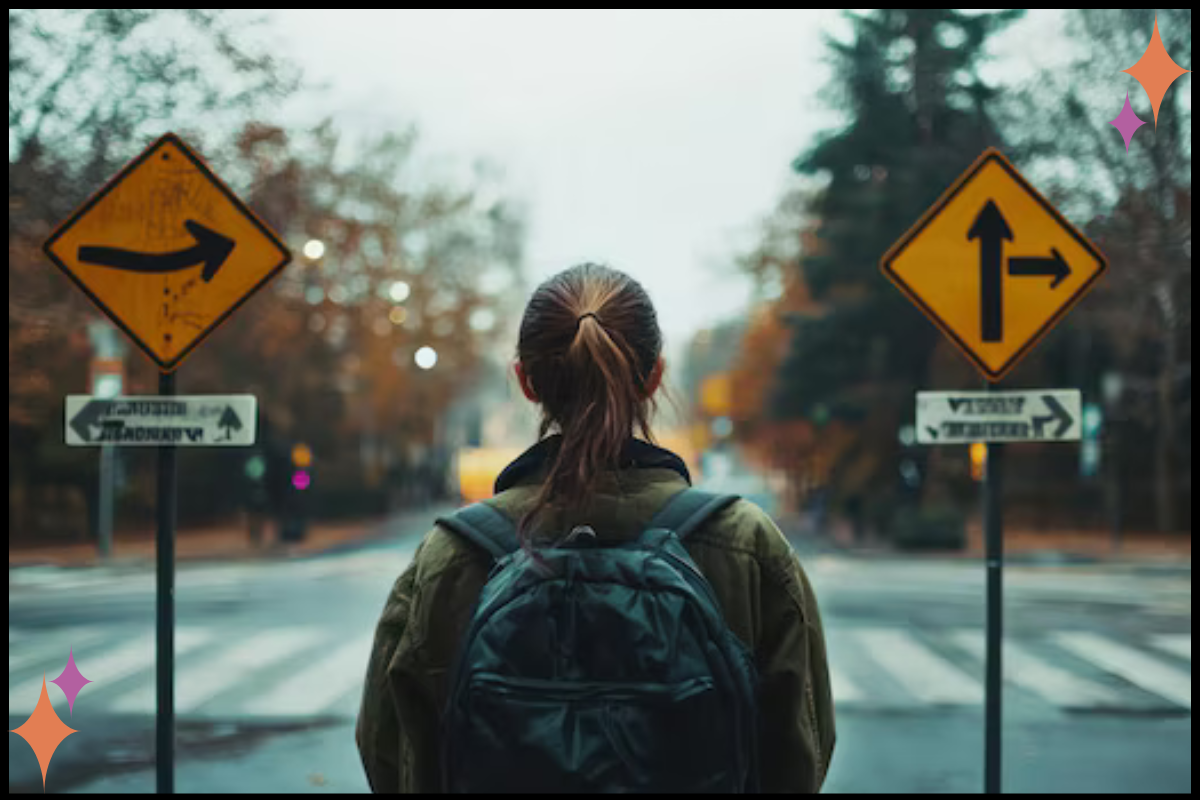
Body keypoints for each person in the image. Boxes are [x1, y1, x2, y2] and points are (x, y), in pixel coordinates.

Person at [356, 263, 836, 793]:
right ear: (654, 375)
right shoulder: (744, 546)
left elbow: (392, 754)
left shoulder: (450, 558)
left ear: (526, 381)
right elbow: (801, 752)